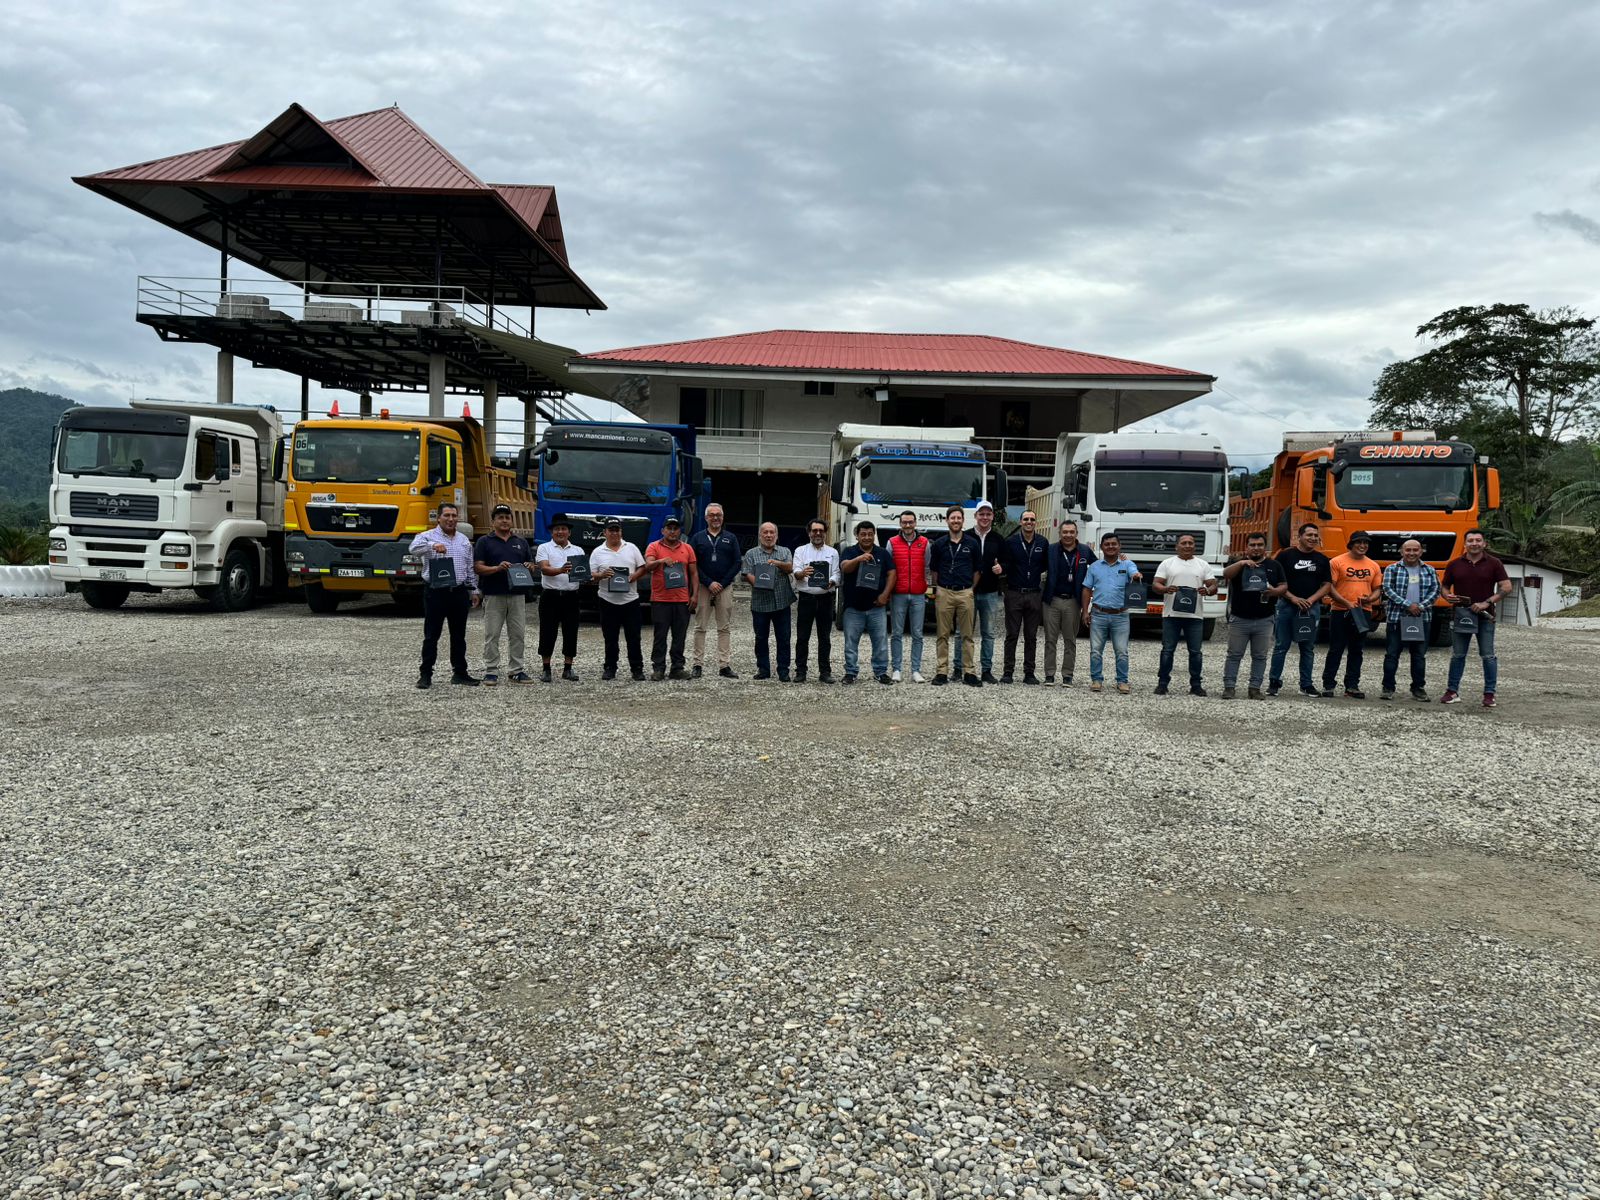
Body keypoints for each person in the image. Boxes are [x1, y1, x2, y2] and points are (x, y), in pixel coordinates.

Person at [409, 502, 480, 688]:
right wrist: (433, 546)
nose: (450, 519)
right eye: (447, 515)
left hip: (458, 592)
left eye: (454, 516)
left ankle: (460, 673)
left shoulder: (463, 540)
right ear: (438, 518)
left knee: (459, 636)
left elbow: (469, 568)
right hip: (436, 593)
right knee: (432, 635)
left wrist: (474, 590)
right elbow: (413, 549)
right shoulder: (426, 537)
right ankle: (425, 674)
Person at [1441, 528, 1512, 707]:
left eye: (1478, 540)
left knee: (1488, 656)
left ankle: (1489, 694)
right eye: (1470, 541)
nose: (1474, 544)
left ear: (1484, 543)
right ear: (1465, 544)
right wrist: (1447, 596)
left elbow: (1507, 587)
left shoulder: (1494, 563)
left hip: (1485, 616)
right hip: (1461, 615)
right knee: (1458, 655)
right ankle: (1452, 691)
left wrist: (1487, 602)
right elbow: (1445, 587)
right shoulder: (1454, 564)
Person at [1219, 532, 1287, 700]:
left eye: (1260, 545)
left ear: (1265, 547)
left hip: (1265, 619)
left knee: (1260, 656)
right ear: (1246, 547)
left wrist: (1274, 592)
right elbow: (1225, 574)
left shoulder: (1274, 565)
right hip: (1240, 618)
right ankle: (1229, 687)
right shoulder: (1239, 565)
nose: (1256, 548)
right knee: (1234, 655)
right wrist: (1242, 562)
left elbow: (1284, 585)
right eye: (1253, 545)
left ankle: (1255, 688)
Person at [472, 503, 533, 686]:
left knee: (518, 634)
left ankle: (516, 670)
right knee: (492, 635)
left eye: (507, 517)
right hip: (494, 595)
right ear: (493, 522)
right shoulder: (484, 541)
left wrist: (531, 566)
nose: (504, 520)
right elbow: (477, 567)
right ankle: (491, 671)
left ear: (511, 520)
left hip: (517, 595)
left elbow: (530, 563)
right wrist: (496, 568)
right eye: (500, 517)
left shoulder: (521, 542)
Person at [1269, 523, 1333, 698]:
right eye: (1309, 535)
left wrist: (1312, 600)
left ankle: (1306, 685)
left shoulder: (1322, 559)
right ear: (1300, 537)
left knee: (1307, 648)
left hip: (1311, 609)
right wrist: (1292, 598)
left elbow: (1327, 585)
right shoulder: (1285, 556)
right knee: (1281, 646)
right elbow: (1275, 581)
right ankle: (1274, 683)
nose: (1313, 538)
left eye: (1315, 535)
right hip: (1286, 606)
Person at [1152, 534, 1218, 696]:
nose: (1187, 545)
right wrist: (1166, 589)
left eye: (1190, 543)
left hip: (1195, 616)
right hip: (1171, 615)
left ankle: (1196, 685)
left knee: (1196, 652)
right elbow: (1156, 584)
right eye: (1184, 543)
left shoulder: (1202, 565)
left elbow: (1213, 585)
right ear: (1177, 546)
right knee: (1167, 650)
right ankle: (1162, 683)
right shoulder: (1168, 563)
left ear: (1194, 546)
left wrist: (1208, 591)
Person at [1322, 531, 1382, 699]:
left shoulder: (1373, 565)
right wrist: (1344, 602)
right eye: (1359, 542)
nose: (1362, 546)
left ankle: (1352, 685)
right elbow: (1329, 586)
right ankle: (1328, 685)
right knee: (1336, 648)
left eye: (1365, 543)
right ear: (1351, 544)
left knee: (1357, 649)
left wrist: (1370, 598)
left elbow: (1377, 589)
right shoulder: (1336, 562)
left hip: (1363, 612)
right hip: (1340, 611)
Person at [1079, 532, 1141, 694]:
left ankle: (1122, 681)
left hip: (1121, 615)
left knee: (1121, 651)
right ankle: (1096, 679)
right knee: (1095, 650)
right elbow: (1086, 589)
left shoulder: (1127, 565)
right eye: (1107, 544)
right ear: (1101, 547)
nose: (1111, 547)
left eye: (1114, 544)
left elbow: (1135, 574)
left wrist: (1136, 575)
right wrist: (1085, 611)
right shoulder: (1094, 567)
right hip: (1098, 613)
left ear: (1119, 546)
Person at [1380, 538, 1439, 702]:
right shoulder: (1392, 569)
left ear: (1421, 552)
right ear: (1401, 552)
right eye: (1408, 550)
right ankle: (1388, 687)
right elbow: (1387, 589)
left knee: (1419, 655)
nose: (1411, 553)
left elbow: (1436, 591)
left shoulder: (1430, 570)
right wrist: (1407, 605)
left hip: (1422, 618)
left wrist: (1420, 606)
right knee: (1392, 654)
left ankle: (1418, 688)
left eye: (1415, 550)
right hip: (1396, 618)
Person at [838, 520, 897, 684]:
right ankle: (850, 672)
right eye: (863, 534)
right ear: (857, 535)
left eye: (870, 534)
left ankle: (880, 672)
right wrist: (859, 559)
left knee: (880, 642)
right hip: (853, 607)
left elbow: (892, 574)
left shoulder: (883, 553)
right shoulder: (850, 551)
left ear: (874, 535)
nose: (866, 537)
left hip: (876, 606)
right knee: (850, 643)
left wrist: (885, 594)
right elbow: (845, 567)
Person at [928, 506, 980, 687]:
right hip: (945, 592)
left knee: (967, 635)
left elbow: (977, 570)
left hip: (965, 592)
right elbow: (934, 570)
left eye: (959, 518)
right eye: (953, 518)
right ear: (947, 520)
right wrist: (939, 589)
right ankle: (942, 671)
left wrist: (971, 589)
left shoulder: (972, 543)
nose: (956, 521)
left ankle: (969, 672)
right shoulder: (939, 544)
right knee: (942, 634)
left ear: (963, 521)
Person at [590, 516, 646, 681]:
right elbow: (591, 576)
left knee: (634, 637)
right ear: (604, 533)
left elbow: (642, 568)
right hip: (608, 600)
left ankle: (637, 668)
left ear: (621, 532)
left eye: (617, 530)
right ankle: (610, 668)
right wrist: (601, 575)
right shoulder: (597, 552)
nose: (614, 533)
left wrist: (632, 577)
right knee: (610, 637)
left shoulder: (632, 548)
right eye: (611, 530)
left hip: (630, 600)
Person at [644, 516, 698, 681]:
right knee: (660, 636)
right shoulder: (654, 546)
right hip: (660, 600)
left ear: (679, 530)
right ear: (663, 531)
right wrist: (661, 560)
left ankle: (677, 668)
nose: (672, 531)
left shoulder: (687, 548)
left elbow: (694, 573)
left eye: (675, 528)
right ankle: (658, 668)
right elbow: (648, 566)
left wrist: (694, 595)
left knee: (679, 636)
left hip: (682, 600)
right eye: (669, 528)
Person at [689, 503, 740, 679]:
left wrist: (723, 583)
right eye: (712, 515)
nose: (715, 518)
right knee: (700, 626)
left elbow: (737, 563)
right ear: (706, 518)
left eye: (718, 514)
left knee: (724, 627)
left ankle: (724, 665)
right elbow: (692, 563)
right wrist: (709, 582)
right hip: (704, 587)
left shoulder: (731, 538)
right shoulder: (697, 538)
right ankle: (697, 664)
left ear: (723, 517)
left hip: (724, 587)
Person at [1043, 519, 1094, 686]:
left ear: (1076, 534)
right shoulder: (1050, 550)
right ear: (1060, 534)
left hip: (1073, 601)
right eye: (1065, 532)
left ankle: (1067, 675)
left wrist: (1123, 562)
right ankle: (1049, 674)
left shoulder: (1085, 551)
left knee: (1070, 640)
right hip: (1052, 600)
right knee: (1050, 639)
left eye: (1071, 532)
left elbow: (1099, 567)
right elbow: (1035, 566)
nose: (1068, 535)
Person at [742, 522, 796, 681]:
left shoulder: (785, 551)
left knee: (784, 638)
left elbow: (790, 568)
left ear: (776, 536)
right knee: (760, 638)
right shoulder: (751, 553)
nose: (768, 535)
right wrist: (759, 583)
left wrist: (777, 563)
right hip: (760, 602)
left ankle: (783, 671)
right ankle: (763, 669)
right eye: (765, 532)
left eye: (772, 532)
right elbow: (746, 573)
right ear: (760, 536)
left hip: (782, 601)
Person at [535, 514, 586, 682]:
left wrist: (588, 576)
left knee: (571, 632)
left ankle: (568, 668)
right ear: (551, 532)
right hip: (550, 595)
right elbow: (544, 569)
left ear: (569, 532)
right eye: (557, 529)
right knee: (547, 631)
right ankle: (546, 668)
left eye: (563, 529)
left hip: (571, 596)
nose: (560, 532)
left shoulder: (578, 550)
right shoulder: (544, 548)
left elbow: (582, 573)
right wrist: (561, 570)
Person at [1001, 509, 1048, 684]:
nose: (1029, 522)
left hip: (1034, 594)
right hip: (1014, 592)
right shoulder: (1011, 542)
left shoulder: (1042, 543)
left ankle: (1029, 673)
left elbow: (1044, 565)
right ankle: (1008, 672)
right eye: (1026, 519)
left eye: (1032, 519)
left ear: (1036, 523)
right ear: (1020, 522)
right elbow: (1005, 563)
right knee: (1011, 634)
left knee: (1031, 636)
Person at [962, 499, 1005, 683]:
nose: (985, 517)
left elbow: (1007, 562)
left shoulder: (998, 539)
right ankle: (961, 668)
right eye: (982, 514)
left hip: (990, 592)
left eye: (988, 514)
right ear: (975, 516)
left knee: (988, 633)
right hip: (967, 592)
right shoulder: (965, 536)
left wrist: (1002, 568)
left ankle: (986, 670)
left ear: (992, 517)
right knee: (963, 633)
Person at [792, 519, 839, 683]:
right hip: (806, 598)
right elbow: (795, 571)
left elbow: (837, 574)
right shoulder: (800, 550)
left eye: (821, 530)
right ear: (809, 533)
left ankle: (825, 672)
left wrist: (831, 581)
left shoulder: (833, 552)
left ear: (825, 532)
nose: (818, 533)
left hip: (826, 599)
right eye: (814, 531)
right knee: (802, 637)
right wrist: (801, 573)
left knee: (824, 638)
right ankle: (801, 672)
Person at [887, 511, 930, 683]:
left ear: (915, 523)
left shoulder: (924, 543)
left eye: (910, 522)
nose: (907, 525)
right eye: (904, 522)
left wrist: (925, 586)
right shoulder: (892, 543)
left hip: (918, 594)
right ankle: (896, 669)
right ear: (900, 524)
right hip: (898, 594)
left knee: (918, 634)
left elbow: (927, 566)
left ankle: (916, 670)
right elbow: (889, 569)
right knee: (897, 632)